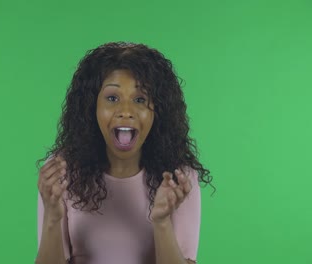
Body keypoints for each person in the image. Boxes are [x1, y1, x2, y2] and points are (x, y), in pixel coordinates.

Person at [35, 41, 214, 264]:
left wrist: (162, 222)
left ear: (158, 111)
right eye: (112, 98)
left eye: (140, 99)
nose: (126, 112)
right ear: (92, 107)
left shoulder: (179, 179)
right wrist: (52, 218)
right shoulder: (61, 174)